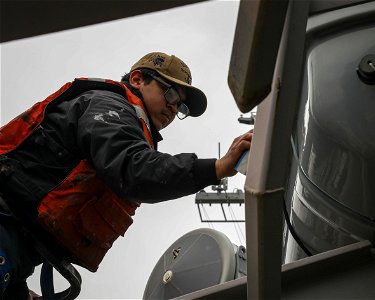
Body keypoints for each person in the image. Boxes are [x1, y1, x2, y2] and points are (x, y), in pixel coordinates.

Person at [0, 51, 253, 299]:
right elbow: (134, 169)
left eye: (180, 105)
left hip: (17, 252)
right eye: (171, 93)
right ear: (137, 80)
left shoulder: (122, 119)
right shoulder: (109, 106)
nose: (174, 108)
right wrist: (217, 168)